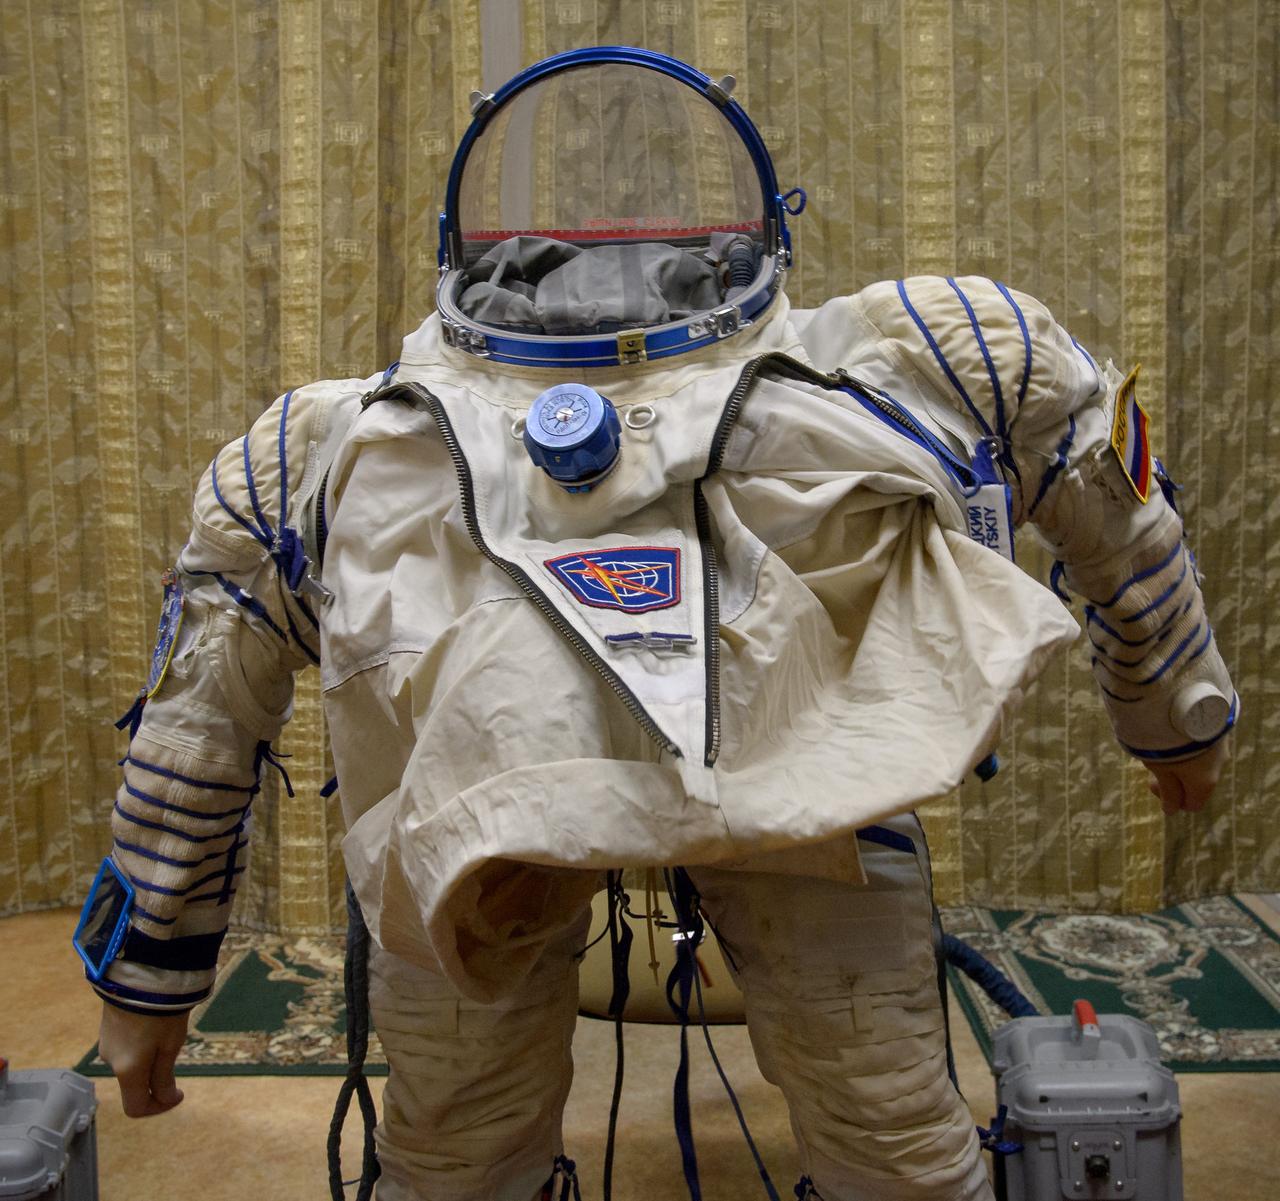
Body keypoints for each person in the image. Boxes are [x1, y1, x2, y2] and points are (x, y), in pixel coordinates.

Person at [78, 47, 1236, 1201]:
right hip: (493, 804)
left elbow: (1100, 485)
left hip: (778, 780)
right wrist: (1174, 719)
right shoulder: (342, 450)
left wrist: (1172, 710)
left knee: (879, 1117)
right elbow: (198, 717)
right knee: (460, 1143)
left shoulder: (911, 362)